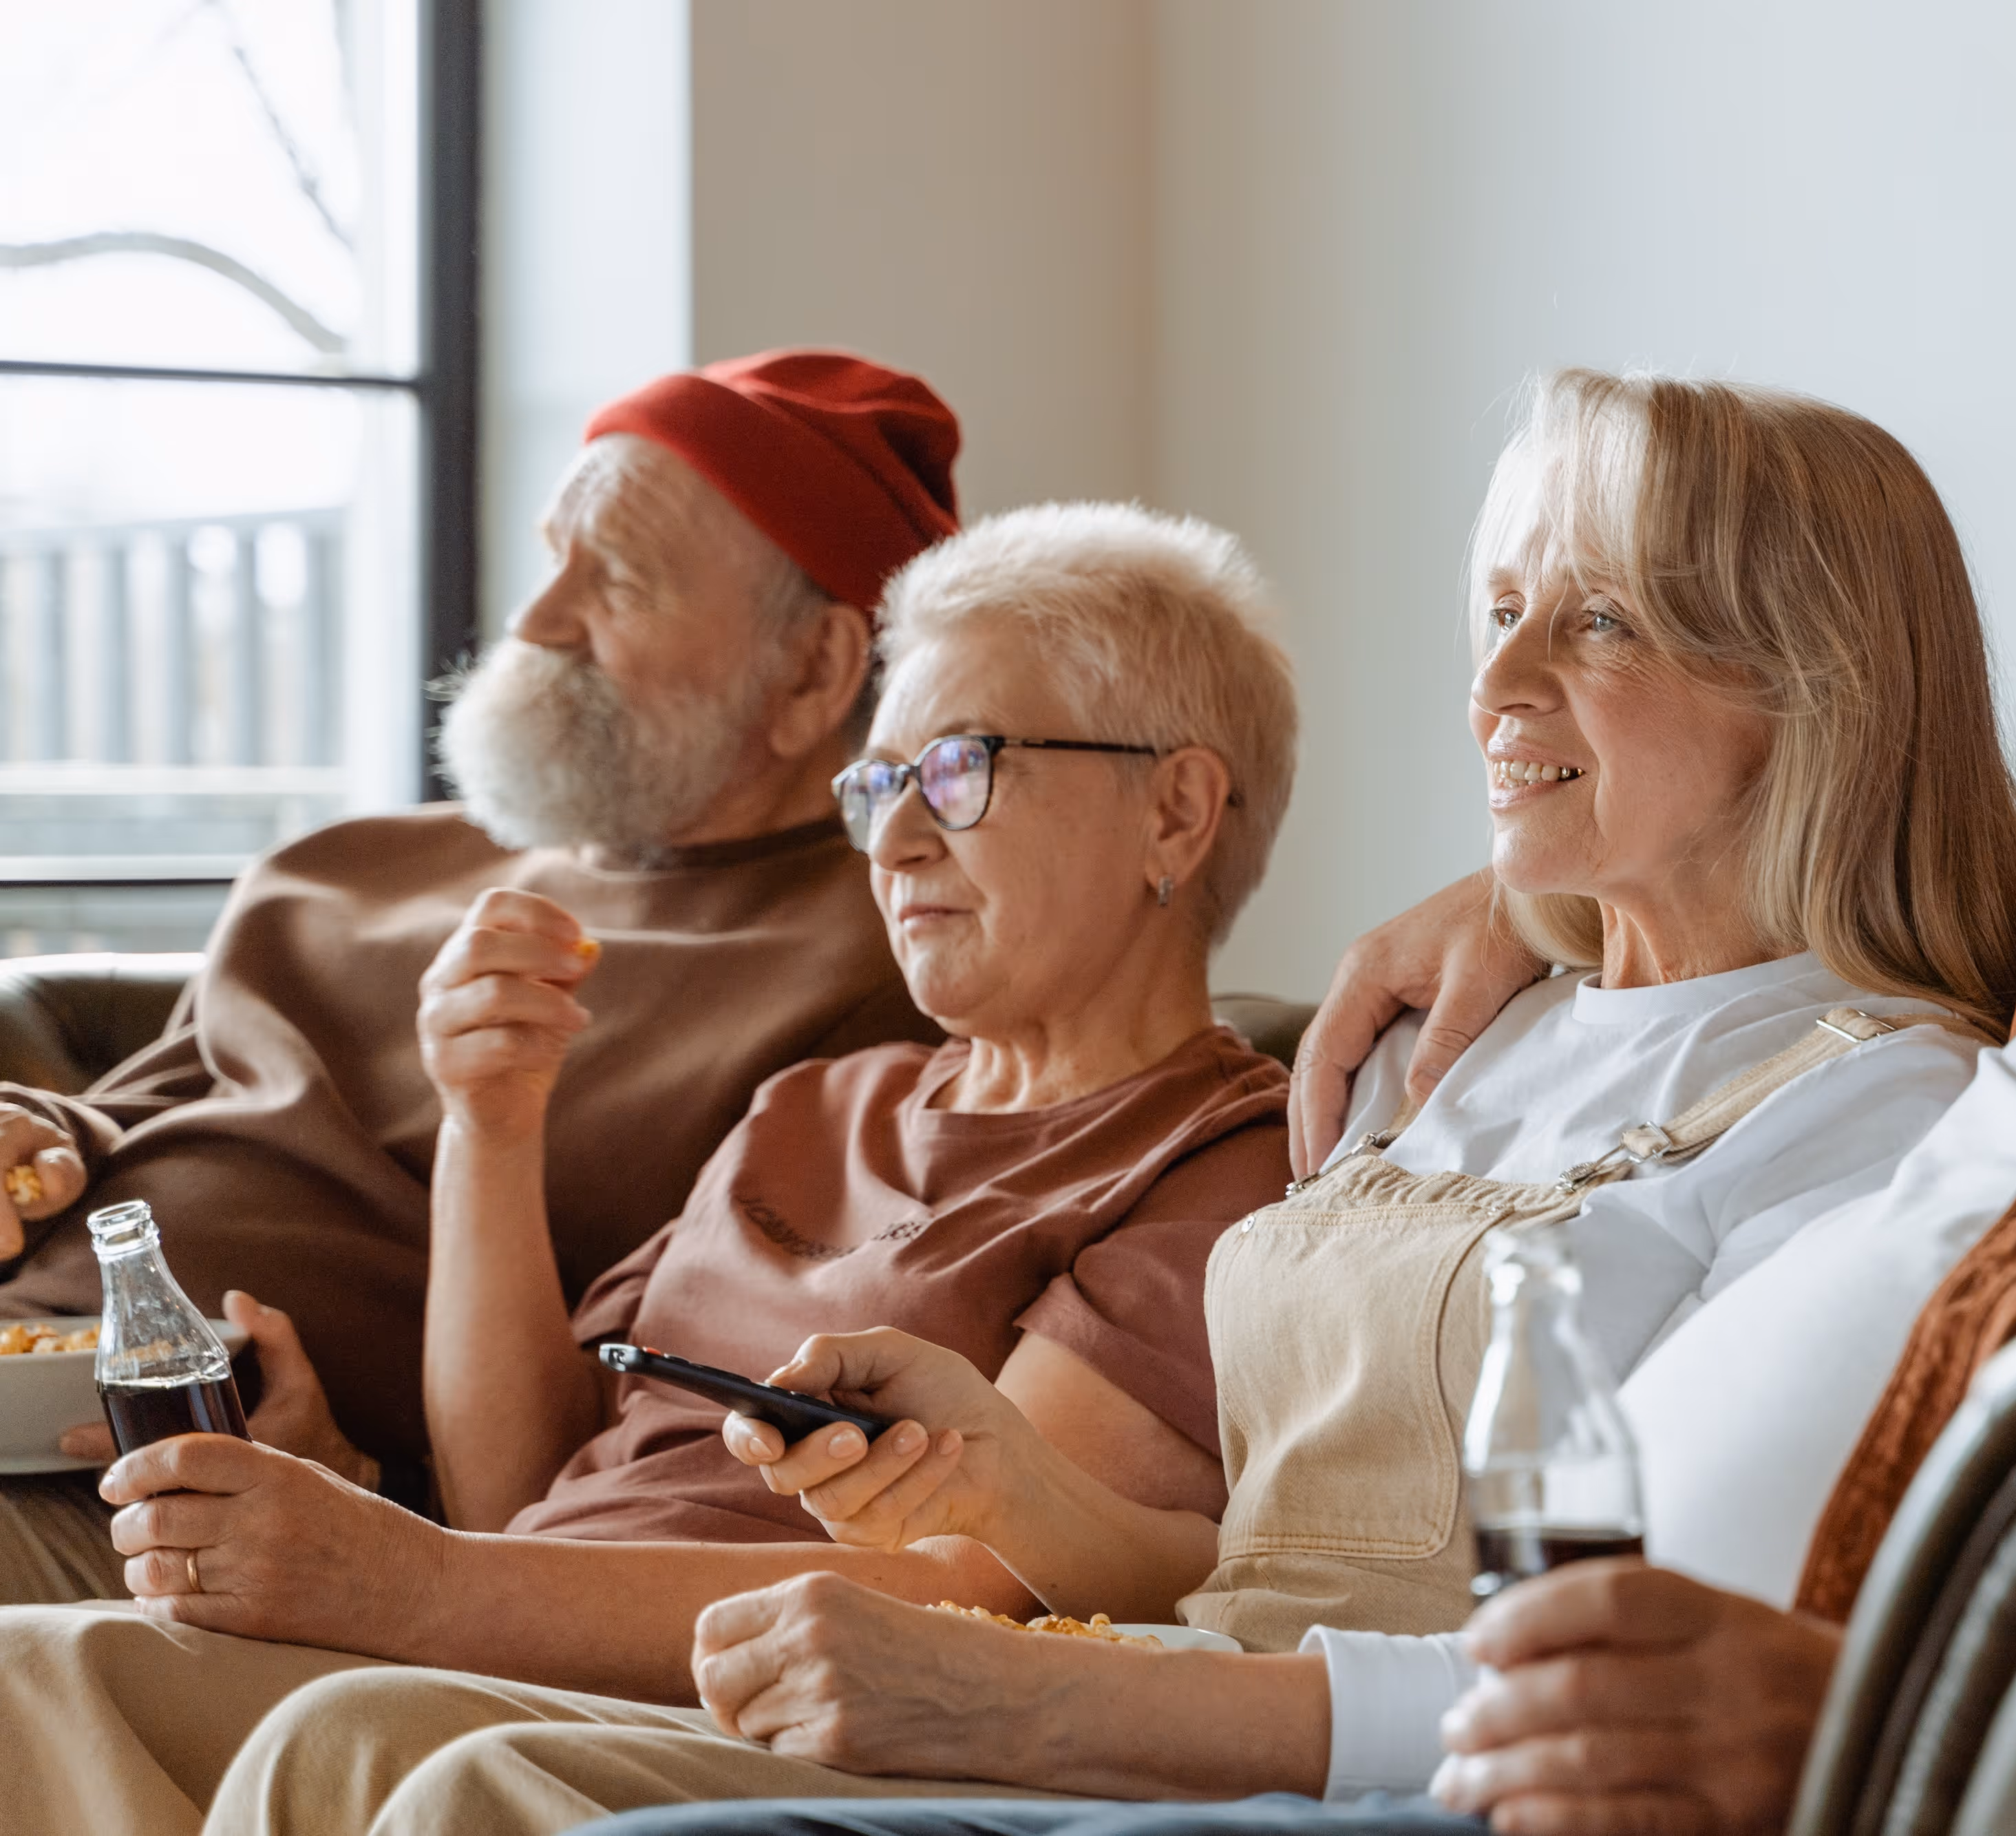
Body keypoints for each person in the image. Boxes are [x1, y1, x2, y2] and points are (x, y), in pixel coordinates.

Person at [586, 313, 2016, 1836]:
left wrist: (1889, 1730)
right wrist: (1531, 890)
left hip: (1708, 1758)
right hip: (1471, 1714)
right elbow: (1800, 872)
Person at [156, 367, 2016, 1836]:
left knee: (417, 1769)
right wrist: (1019, 1491)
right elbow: (1257, 1552)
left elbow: (1610, 1671)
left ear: (1813, 686)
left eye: (1593, 623)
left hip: (1265, 1751)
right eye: (1496, 610)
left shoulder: (1884, 1117)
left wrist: (1016, 1679)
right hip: (1169, 1670)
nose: (1487, 682)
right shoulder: (1447, 1037)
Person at [0, 500, 1306, 1836]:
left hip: (733, 1708)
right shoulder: (811, 1102)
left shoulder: (1220, 1162)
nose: (901, 840)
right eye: (882, 783)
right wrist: (489, 1129)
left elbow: (986, 1586)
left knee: (348, 1736)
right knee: (23, 1672)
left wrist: (417, 1587)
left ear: (1176, 811)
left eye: (961, 769)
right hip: (501, 1637)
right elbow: (520, 1491)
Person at [0, 350, 963, 1601]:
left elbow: (665, 1454)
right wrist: (46, 1138)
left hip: (204, 1515)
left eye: (611, 579)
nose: (536, 618)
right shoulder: (338, 866)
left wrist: (362, 1480)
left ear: (816, 672)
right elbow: (143, 1113)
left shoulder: (881, 976)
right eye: (551, 553)